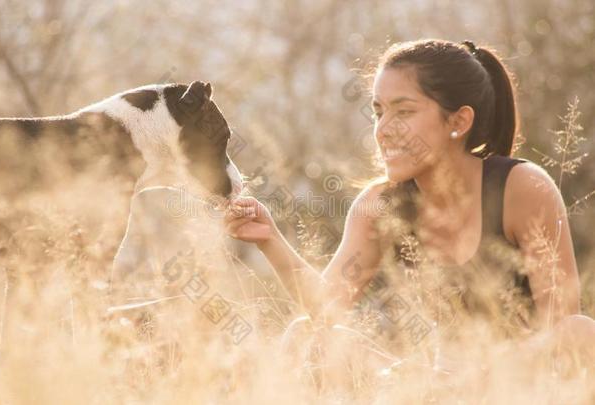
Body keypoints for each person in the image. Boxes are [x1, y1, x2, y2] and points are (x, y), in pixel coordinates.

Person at [223, 39, 595, 376]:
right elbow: (326, 308)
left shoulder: (522, 188)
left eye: (403, 112)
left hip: (515, 382)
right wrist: (269, 238)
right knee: (308, 334)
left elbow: (559, 328)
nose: (383, 129)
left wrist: (479, 381)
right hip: (432, 384)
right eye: (379, 111)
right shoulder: (380, 205)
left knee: (581, 332)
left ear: (459, 121)